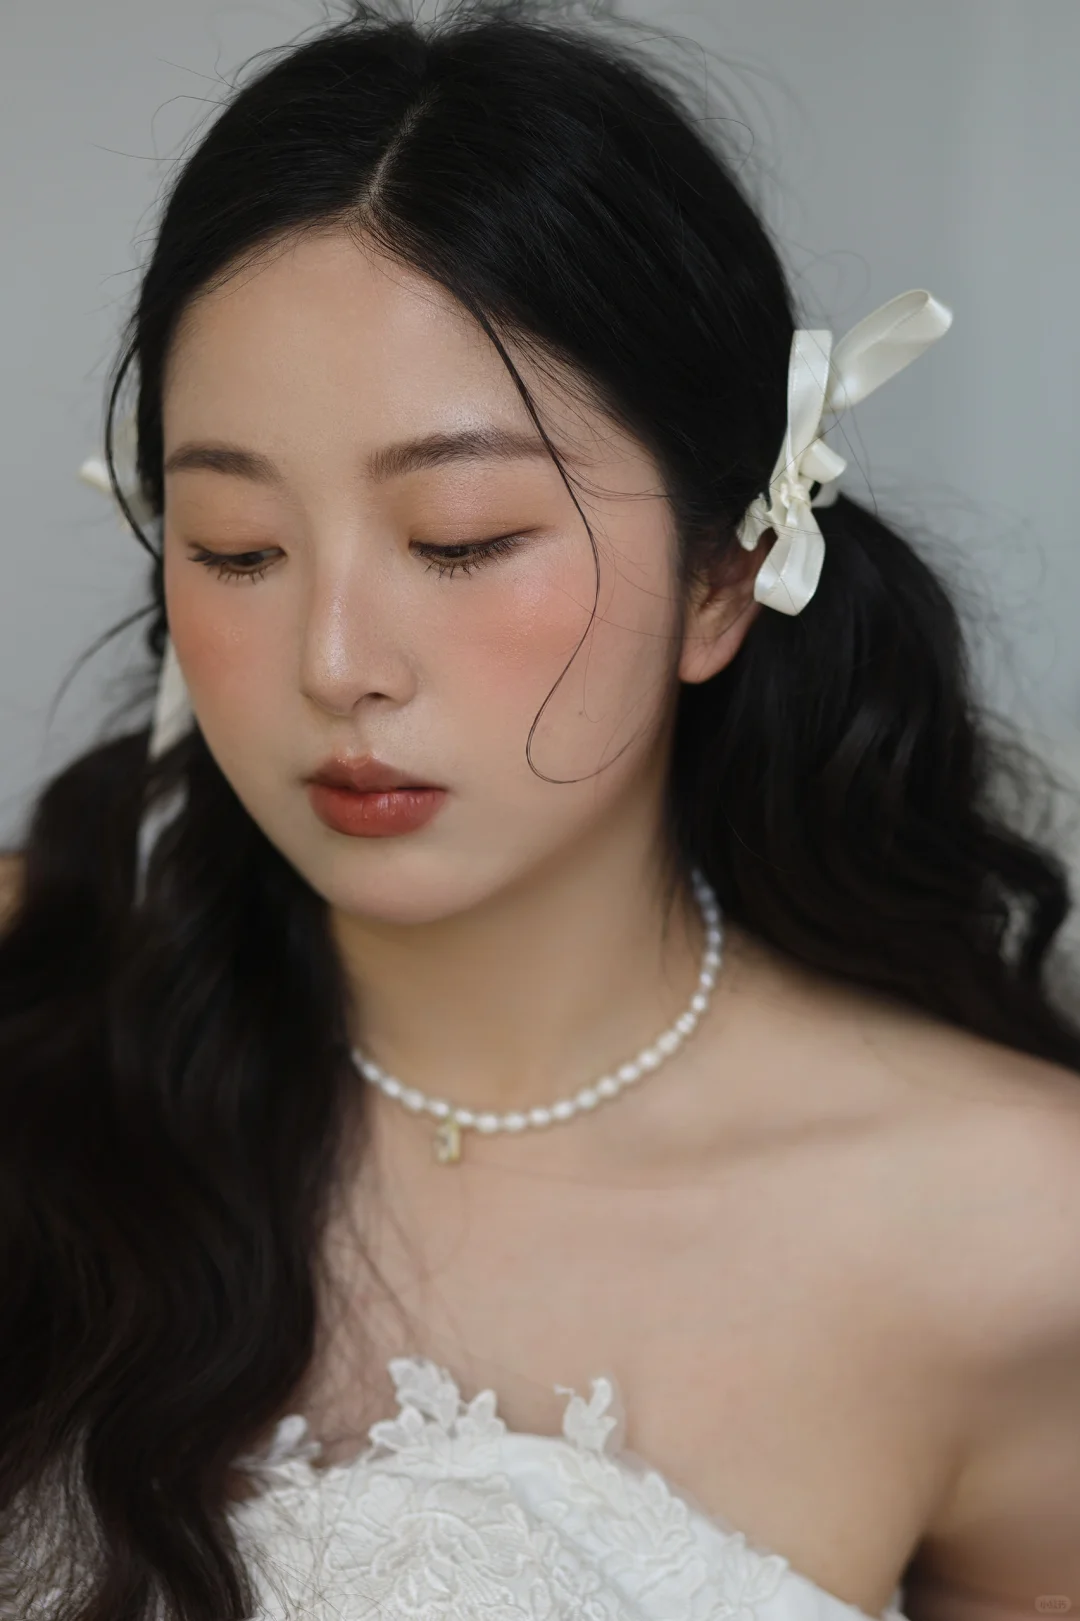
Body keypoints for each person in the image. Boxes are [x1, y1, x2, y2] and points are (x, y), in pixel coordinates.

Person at [3, 2, 1080, 1617]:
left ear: (726, 573)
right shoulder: (40, 1031)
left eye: (458, 540)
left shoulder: (1015, 1229)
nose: (337, 663)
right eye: (236, 549)